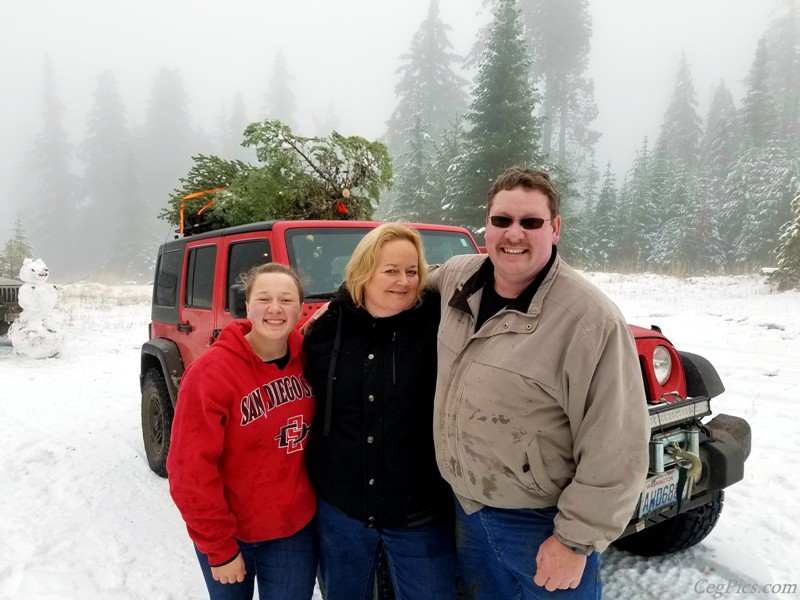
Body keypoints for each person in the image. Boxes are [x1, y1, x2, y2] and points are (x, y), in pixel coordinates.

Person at [427, 166, 650, 599]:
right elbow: (407, 281)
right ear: (486, 225)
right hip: (466, 509)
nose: (514, 234)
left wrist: (573, 541)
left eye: (530, 222)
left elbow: (617, 444)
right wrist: (342, 304)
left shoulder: (590, 321)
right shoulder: (459, 278)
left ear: (555, 228)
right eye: (502, 220)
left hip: (539, 524)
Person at [303, 223, 457, 600]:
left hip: (419, 511)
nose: (403, 281)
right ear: (364, 272)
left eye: (411, 271)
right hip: (343, 509)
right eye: (390, 271)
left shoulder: (441, 324)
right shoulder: (326, 328)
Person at [167, 263, 317, 600]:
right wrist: (219, 547)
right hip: (231, 534)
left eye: (286, 299)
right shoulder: (211, 373)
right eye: (264, 298)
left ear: (300, 307)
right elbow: (188, 471)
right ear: (246, 305)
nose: (275, 309)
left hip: (293, 531)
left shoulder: (311, 359)